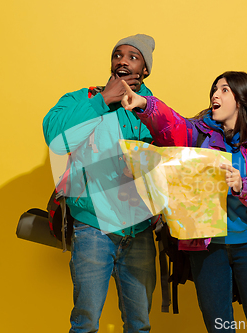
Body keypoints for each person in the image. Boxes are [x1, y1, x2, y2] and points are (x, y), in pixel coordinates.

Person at [121, 71, 247, 332]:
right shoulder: (197, 134)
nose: (215, 94)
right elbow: (172, 124)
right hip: (206, 248)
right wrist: (146, 105)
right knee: (219, 328)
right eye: (214, 89)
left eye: (224, 90)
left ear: (242, 99)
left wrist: (243, 186)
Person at [43, 34, 157, 333]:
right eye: (117, 55)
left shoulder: (153, 109)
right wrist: (104, 100)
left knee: (140, 325)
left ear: (145, 70)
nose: (122, 60)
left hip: (140, 230)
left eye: (133, 57)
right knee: (85, 324)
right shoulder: (82, 99)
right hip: (93, 227)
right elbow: (55, 138)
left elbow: (170, 156)